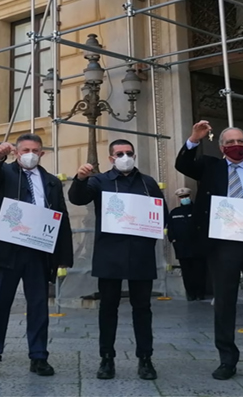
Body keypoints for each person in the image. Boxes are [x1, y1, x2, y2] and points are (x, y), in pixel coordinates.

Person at [174, 121, 243, 383]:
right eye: (230, 142)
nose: (236, 146)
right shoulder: (210, 168)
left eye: (240, 141)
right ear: (222, 147)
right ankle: (227, 359)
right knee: (224, 303)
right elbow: (184, 165)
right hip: (223, 244)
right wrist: (194, 140)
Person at [0, 134, 73, 380]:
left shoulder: (51, 182)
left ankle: (39, 356)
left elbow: (61, 215)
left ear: (42, 153)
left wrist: (63, 254)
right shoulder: (5, 173)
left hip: (38, 251)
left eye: (35, 150)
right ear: (17, 152)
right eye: (25, 149)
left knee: (38, 305)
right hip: (6, 249)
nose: (30, 153)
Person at [68, 140, 166, 380]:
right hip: (109, 254)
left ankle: (145, 359)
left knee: (142, 309)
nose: (125, 157)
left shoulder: (147, 182)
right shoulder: (100, 181)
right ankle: (106, 359)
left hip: (141, 254)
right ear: (111, 158)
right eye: (119, 154)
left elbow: (161, 212)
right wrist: (79, 179)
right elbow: (78, 199)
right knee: (108, 308)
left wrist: (158, 229)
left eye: (129, 153)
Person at [169, 186, 208, 301]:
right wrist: (173, 240)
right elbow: (170, 229)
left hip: (197, 247)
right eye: (181, 197)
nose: (184, 198)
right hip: (182, 248)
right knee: (187, 272)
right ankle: (190, 294)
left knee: (200, 271)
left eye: (186, 196)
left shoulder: (197, 210)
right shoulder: (175, 212)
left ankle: (200, 293)